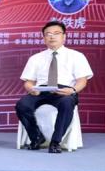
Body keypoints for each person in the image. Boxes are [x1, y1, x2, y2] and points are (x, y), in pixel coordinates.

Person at [16, 21, 92, 153]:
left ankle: (55, 142)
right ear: (44, 38)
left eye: (56, 33)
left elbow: (82, 81)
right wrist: (31, 89)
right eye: (48, 34)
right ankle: (36, 137)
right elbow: (28, 82)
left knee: (66, 103)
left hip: (64, 91)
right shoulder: (35, 58)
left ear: (64, 36)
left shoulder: (76, 56)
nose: (52, 37)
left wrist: (73, 90)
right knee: (22, 105)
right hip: (41, 91)